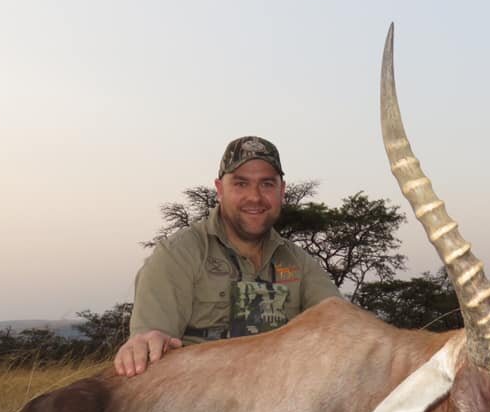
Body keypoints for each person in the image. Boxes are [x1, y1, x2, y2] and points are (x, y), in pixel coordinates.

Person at [115, 136, 341, 377]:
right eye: (241, 184)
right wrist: (147, 342)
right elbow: (151, 337)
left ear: (281, 191)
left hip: (283, 395)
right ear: (220, 190)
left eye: (266, 184)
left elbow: (339, 322)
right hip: (200, 398)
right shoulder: (177, 254)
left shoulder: (300, 262)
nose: (254, 197)